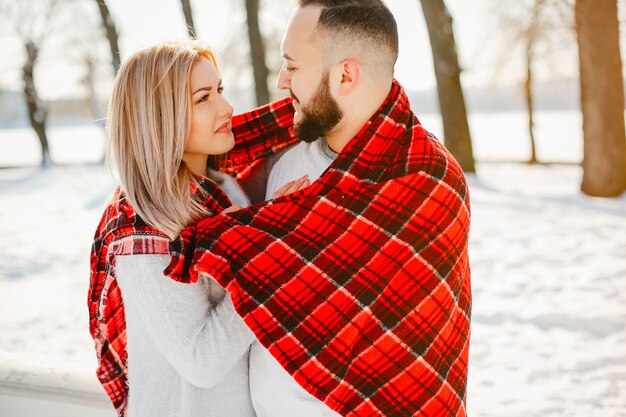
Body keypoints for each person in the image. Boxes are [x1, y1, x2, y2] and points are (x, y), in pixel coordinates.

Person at [166, 1, 472, 416]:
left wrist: (266, 237)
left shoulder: (424, 183)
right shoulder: (282, 151)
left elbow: (415, 360)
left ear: (346, 75)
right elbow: (187, 169)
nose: (280, 81)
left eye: (292, 66)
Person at [88, 40, 307, 417]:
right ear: (160, 117)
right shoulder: (145, 232)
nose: (227, 107)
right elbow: (201, 360)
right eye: (203, 98)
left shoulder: (225, 189)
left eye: (219, 90)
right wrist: (269, 252)